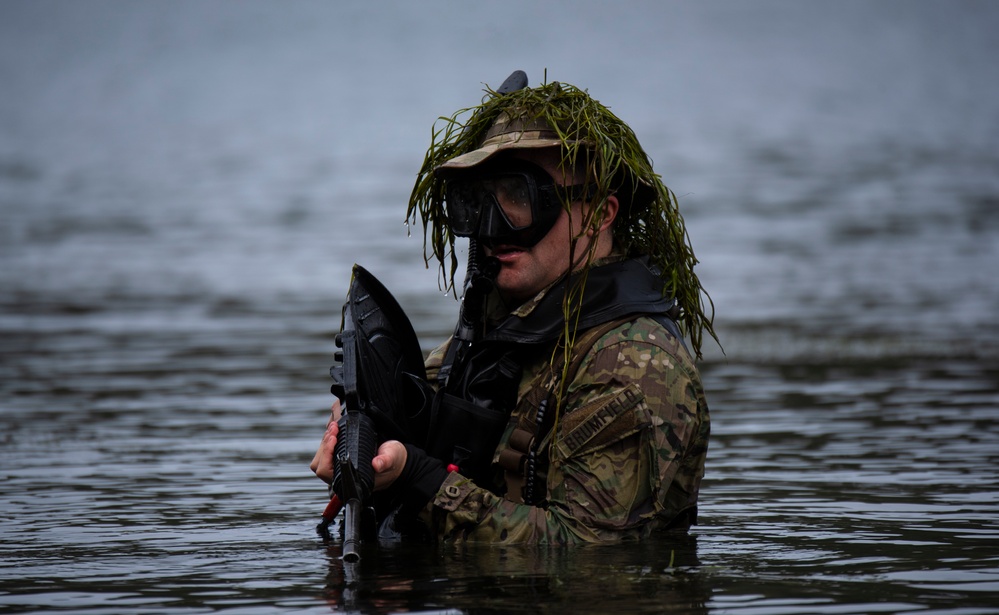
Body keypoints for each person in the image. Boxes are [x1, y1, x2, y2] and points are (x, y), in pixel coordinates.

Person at [311, 71, 715, 545]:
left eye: (520, 199)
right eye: (481, 202)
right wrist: (366, 442)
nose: (495, 227)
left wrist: (417, 480)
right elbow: (415, 427)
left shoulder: (633, 367)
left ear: (602, 214)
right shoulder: (500, 336)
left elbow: (587, 553)